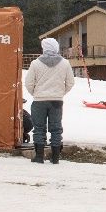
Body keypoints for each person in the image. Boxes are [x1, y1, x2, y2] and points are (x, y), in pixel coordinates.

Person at [24, 36, 75, 165]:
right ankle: (55, 158)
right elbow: (70, 82)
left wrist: (36, 93)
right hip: (56, 101)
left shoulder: (35, 63)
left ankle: (39, 156)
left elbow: (29, 83)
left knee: (39, 128)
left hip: (39, 101)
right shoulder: (65, 63)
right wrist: (60, 93)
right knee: (56, 129)